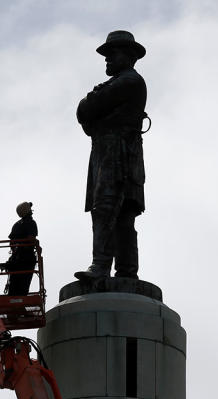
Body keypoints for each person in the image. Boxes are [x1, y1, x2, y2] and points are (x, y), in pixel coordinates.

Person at [74, 30, 147, 281]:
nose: (107, 60)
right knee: (118, 215)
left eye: (111, 54)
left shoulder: (129, 82)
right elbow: (86, 117)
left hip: (118, 155)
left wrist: (93, 113)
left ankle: (102, 266)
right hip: (110, 153)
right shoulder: (122, 82)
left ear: (128, 56)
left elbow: (86, 109)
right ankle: (125, 272)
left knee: (108, 210)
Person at [0, 202, 39, 295]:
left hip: (15, 261)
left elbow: (12, 243)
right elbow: (31, 239)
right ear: (28, 211)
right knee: (23, 287)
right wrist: (37, 244)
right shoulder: (31, 223)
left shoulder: (16, 225)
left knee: (13, 287)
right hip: (26, 259)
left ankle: (13, 303)